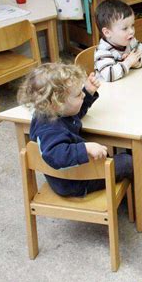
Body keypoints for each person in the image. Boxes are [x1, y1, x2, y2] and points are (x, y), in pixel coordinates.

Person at [17, 63, 133, 197]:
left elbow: (74, 112)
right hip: (74, 182)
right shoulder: (49, 130)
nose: (82, 95)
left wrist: (88, 92)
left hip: (71, 174)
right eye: (78, 94)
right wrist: (84, 148)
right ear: (56, 104)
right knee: (127, 162)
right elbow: (55, 155)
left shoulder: (55, 112)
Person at [94, 0, 142, 82]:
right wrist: (128, 62)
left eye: (132, 25)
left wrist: (137, 62)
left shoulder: (131, 41)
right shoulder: (102, 51)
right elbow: (109, 75)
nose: (131, 31)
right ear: (107, 32)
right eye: (125, 28)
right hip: (109, 92)